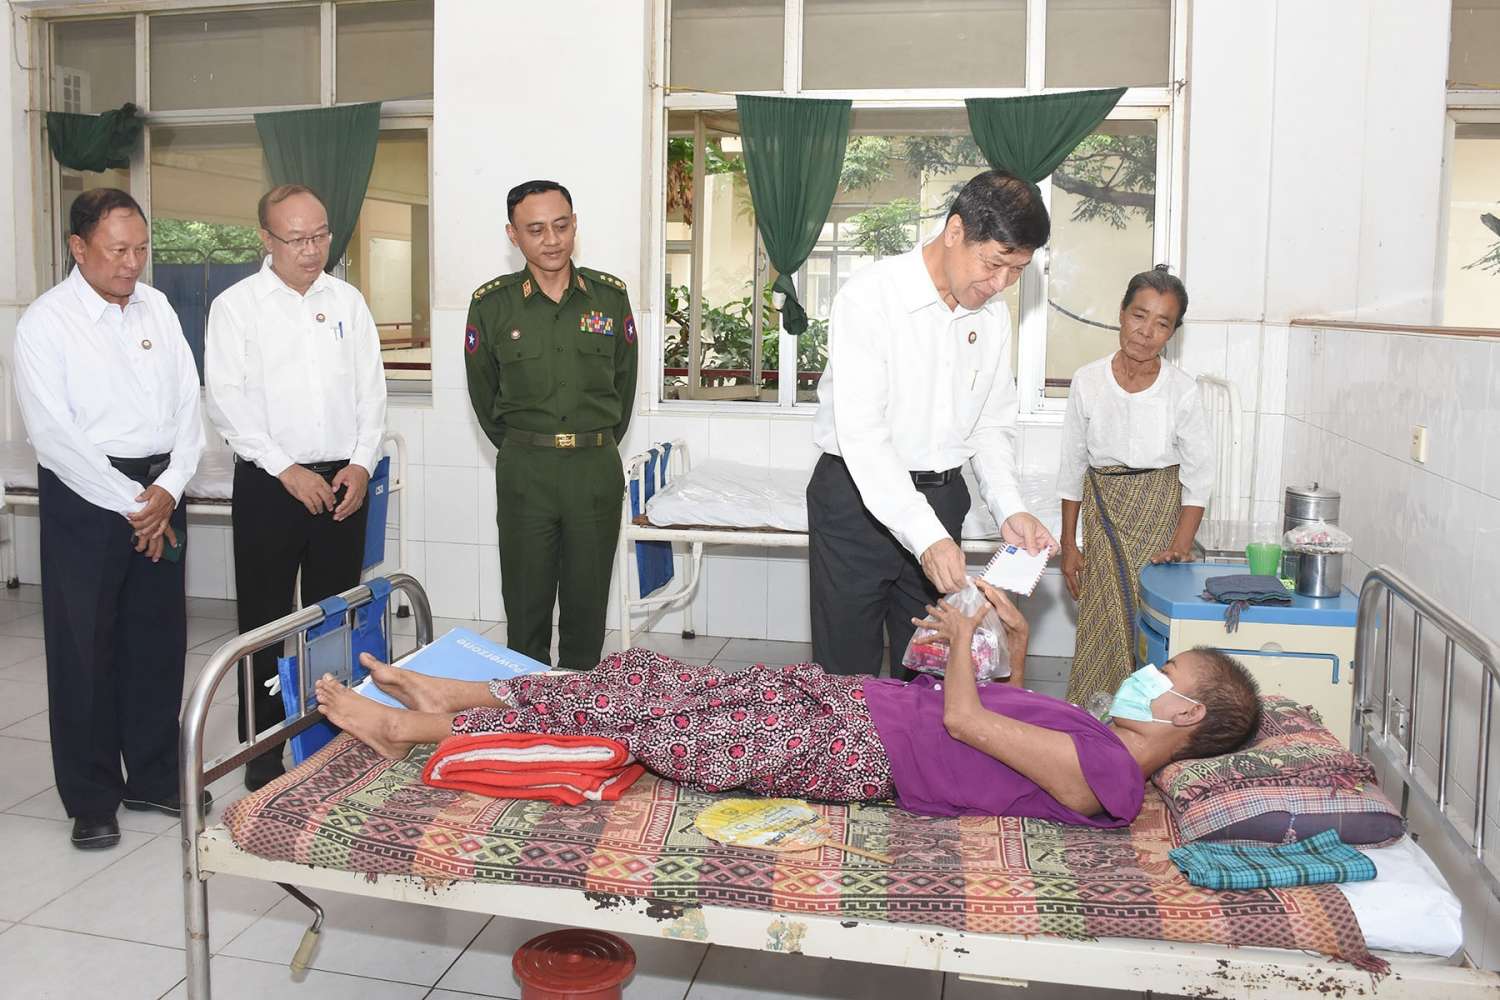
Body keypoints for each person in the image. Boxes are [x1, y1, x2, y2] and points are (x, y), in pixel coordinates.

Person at [315, 580, 1261, 826]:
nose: (1149, 673)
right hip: (854, 705)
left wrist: (964, 633)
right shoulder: (1098, 736)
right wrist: (1001, 646)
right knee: (646, 676)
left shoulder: (1112, 781)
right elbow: (1005, 718)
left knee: (645, 723)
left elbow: (969, 723)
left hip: (857, 753)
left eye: (1166, 676)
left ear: (1184, 719)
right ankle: (458, 689)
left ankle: (413, 729)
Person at [13, 188, 206, 849]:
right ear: (78, 247)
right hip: (87, 497)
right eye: (117, 250)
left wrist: (169, 488)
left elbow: (188, 406)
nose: (132, 263)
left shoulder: (157, 307)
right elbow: (53, 434)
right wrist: (136, 503)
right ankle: (91, 796)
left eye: (141, 249)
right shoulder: (46, 322)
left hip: (161, 492)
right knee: (84, 647)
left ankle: (152, 775)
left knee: (157, 641)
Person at [808, 170, 1058, 677]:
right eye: (993, 264)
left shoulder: (991, 317)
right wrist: (925, 536)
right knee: (846, 678)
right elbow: (863, 435)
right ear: (955, 231)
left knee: (934, 674)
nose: (1000, 284)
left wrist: (1009, 507)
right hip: (857, 504)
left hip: (942, 502)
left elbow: (990, 424)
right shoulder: (871, 297)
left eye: (1016, 271)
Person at [205, 183, 388, 791]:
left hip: (342, 483)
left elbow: (371, 392)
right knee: (264, 624)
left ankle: (329, 739)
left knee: (333, 621)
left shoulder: (348, 302)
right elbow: (226, 402)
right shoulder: (237, 307)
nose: (312, 250)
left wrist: (360, 463)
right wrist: (285, 468)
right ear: (266, 238)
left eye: (320, 236)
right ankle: (262, 752)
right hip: (270, 484)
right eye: (297, 239)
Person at [465, 180, 638, 669]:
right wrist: (525, 444)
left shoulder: (609, 297)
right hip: (527, 470)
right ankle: (529, 707)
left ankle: (580, 705)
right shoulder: (493, 305)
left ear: (575, 225)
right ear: (513, 235)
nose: (552, 239)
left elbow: (624, 386)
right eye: (536, 229)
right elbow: (484, 394)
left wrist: (592, 442)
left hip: (594, 469)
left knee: (587, 606)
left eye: (561, 226)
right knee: (526, 608)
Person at [1058, 267, 1215, 706]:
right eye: (1139, 316)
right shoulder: (1088, 380)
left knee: (1152, 628)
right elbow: (1072, 465)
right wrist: (1069, 545)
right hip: (1103, 516)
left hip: (1159, 519)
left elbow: (1199, 477)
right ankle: (1095, 720)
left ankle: (1150, 722)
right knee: (1101, 625)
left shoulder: (1181, 390)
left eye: (1162, 324)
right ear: (1122, 314)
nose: (1146, 332)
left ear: (1172, 333)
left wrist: (1180, 545)